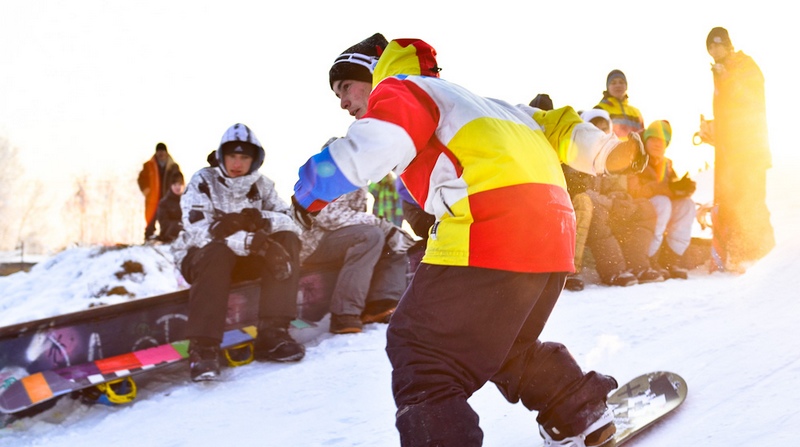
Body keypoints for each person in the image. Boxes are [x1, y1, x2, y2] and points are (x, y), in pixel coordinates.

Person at [294, 36, 650, 446]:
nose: (342, 102)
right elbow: (559, 125)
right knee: (503, 343)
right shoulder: (491, 104)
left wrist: (309, 189)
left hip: (489, 228)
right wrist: (608, 152)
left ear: (372, 73)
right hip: (552, 235)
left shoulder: (401, 88)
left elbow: (379, 141)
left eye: (345, 88)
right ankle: (577, 411)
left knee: (421, 351)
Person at [172, 123, 305, 381]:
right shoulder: (203, 181)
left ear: (255, 159)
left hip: (245, 259)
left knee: (287, 240)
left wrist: (260, 221)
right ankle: (204, 347)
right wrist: (250, 242)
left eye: (244, 157)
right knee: (217, 251)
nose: (237, 163)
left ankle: (273, 333)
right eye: (232, 156)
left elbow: (291, 222)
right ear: (222, 156)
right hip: (200, 258)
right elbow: (198, 230)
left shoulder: (263, 185)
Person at [697, 26, 774, 272]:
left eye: (717, 43)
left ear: (728, 44)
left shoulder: (743, 64)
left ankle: (767, 258)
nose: (713, 49)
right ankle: (739, 256)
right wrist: (711, 129)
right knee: (731, 202)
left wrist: (729, 76)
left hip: (750, 149)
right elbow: (730, 115)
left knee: (750, 201)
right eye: (710, 46)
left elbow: (753, 100)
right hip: (730, 153)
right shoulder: (721, 71)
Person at [298, 184, 410, 334]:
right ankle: (344, 314)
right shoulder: (335, 170)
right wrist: (382, 225)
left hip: (339, 238)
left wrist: (391, 231)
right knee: (372, 234)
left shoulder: (361, 176)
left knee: (396, 240)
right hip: (314, 242)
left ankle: (380, 304)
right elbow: (328, 216)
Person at [628, 120, 696, 279]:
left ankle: (671, 259)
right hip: (638, 210)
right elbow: (634, 191)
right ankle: (650, 258)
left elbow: (671, 189)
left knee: (686, 205)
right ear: (646, 139)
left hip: (659, 207)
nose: (658, 144)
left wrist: (682, 189)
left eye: (662, 141)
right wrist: (667, 189)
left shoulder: (667, 164)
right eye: (654, 139)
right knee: (663, 203)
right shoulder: (635, 158)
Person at [137, 142, 182, 241]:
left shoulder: (173, 166)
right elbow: (141, 178)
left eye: (162, 152)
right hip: (152, 198)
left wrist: (177, 191)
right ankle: (148, 238)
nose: (161, 154)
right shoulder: (149, 165)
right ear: (156, 153)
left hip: (168, 197)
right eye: (159, 152)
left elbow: (179, 178)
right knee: (150, 219)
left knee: (167, 219)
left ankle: (166, 237)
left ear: (166, 153)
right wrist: (145, 190)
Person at [594, 69, 645, 139]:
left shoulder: (636, 112)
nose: (618, 85)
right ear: (608, 87)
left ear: (626, 86)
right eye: (613, 83)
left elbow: (642, 138)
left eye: (621, 82)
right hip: (611, 149)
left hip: (634, 149)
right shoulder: (599, 110)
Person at [155, 171, 185, 243]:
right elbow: (164, 223)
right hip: (170, 237)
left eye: (180, 184)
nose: (178, 187)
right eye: (175, 185)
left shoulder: (189, 201)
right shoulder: (164, 203)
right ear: (171, 186)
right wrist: (180, 225)